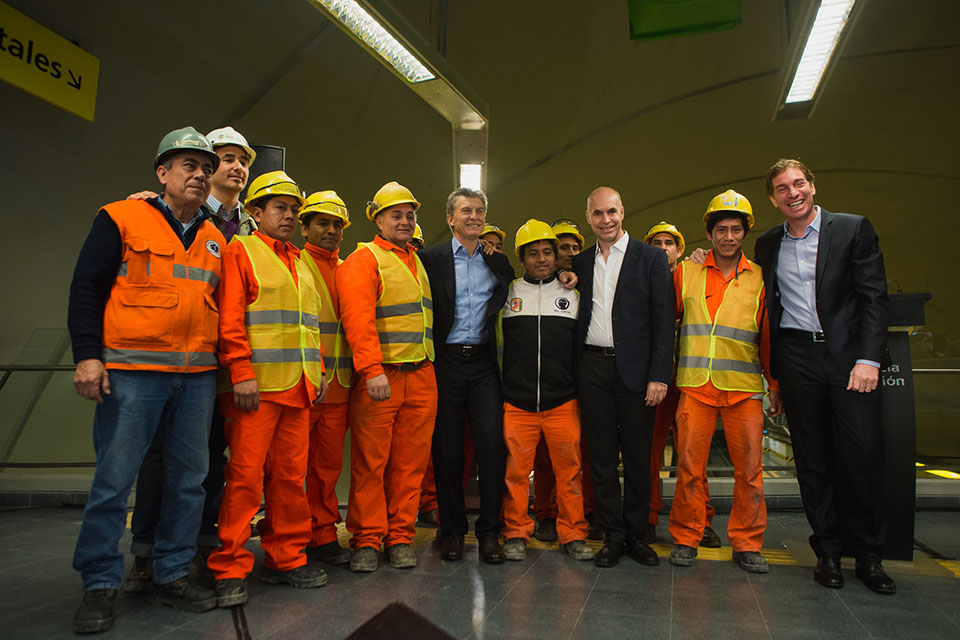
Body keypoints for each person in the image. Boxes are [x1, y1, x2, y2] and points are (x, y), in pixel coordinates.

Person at [68, 127, 223, 633]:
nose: (199, 175)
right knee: (113, 483)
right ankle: (99, 581)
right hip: (132, 374)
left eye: (205, 168)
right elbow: (86, 290)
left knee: (189, 481)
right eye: (187, 166)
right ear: (161, 173)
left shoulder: (216, 238)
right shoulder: (120, 217)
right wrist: (88, 358)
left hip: (196, 377)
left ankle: (173, 570)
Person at [124, 126, 258, 592]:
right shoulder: (168, 213)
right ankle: (145, 553)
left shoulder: (254, 228)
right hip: (182, 359)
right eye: (225, 157)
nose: (236, 167)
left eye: (243, 159)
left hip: (232, 368)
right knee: (160, 458)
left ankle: (200, 545)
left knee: (211, 462)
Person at [755, 159, 893, 594]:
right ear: (773, 198)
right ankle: (828, 553)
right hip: (796, 358)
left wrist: (869, 359)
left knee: (862, 456)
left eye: (798, 183)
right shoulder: (767, 243)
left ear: (812, 186)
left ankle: (870, 557)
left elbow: (874, 298)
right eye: (782, 188)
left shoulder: (852, 229)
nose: (792, 193)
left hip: (849, 359)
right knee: (812, 461)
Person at [208, 170, 329, 607]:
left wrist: (314, 375)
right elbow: (232, 319)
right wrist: (240, 373)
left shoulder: (299, 261)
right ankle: (229, 565)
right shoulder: (242, 251)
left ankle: (286, 557)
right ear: (255, 213)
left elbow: (307, 327)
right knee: (243, 479)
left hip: (296, 390)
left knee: (290, 479)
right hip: (255, 391)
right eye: (281, 208)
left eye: (295, 210)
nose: (290, 216)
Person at [666, 192, 781, 573]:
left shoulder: (760, 278)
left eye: (735, 229)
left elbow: (766, 337)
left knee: (749, 470)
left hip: (743, 389)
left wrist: (775, 385)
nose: (728, 236)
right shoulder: (688, 271)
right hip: (696, 387)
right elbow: (663, 321)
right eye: (721, 230)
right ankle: (686, 536)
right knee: (689, 467)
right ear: (708, 233)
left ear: (745, 232)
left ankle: (747, 543)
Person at [337, 181, 437, 572]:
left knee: (410, 465)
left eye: (410, 215)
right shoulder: (365, 260)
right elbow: (357, 322)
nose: (405, 221)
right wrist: (371, 370)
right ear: (377, 219)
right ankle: (366, 539)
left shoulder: (417, 261)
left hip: (422, 375)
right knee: (371, 464)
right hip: (383, 378)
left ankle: (399, 537)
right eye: (396, 214)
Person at [571, 186, 675, 568]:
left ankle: (636, 535)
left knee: (637, 458)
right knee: (600, 457)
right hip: (592, 369)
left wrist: (658, 376)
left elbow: (663, 322)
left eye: (611, 211)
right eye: (597, 213)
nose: (606, 220)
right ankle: (612, 536)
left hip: (637, 372)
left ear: (623, 211)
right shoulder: (581, 263)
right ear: (589, 217)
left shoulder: (651, 259)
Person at [418, 187, 514, 563]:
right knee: (447, 449)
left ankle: (490, 532)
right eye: (466, 211)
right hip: (446, 363)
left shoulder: (498, 263)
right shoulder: (430, 259)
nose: (474, 216)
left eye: (479, 211)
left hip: (485, 365)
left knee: (491, 446)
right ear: (450, 218)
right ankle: (452, 529)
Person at [500, 220, 594, 562]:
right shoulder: (508, 293)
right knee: (515, 474)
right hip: (517, 401)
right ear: (522, 259)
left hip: (562, 401)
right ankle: (515, 532)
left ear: (556, 257)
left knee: (569, 472)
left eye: (547, 252)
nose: (541, 259)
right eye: (533, 253)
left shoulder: (574, 294)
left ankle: (572, 533)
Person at [641, 221, 720, 548]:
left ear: (680, 249)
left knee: (693, 456)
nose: (662, 248)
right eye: (656, 242)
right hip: (654, 384)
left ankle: (701, 519)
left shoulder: (695, 274)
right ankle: (647, 517)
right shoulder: (639, 281)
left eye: (669, 242)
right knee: (649, 455)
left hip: (690, 380)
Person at [531, 218, 599, 542]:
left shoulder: (588, 286)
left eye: (575, 247)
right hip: (545, 390)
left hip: (581, 384)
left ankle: (582, 512)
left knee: (579, 457)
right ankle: (545, 513)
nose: (570, 253)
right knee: (544, 460)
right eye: (562, 247)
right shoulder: (532, 289)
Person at [297, 191, 354, 566]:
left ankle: (322, 532)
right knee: (292, 468)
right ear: (305, 228)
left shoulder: (351, 267)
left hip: (340, 385)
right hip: (304, 383)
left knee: (327, 468)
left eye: (337, 225)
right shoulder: (294, 264)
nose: (331, 230)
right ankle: (292, 534)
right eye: (323, 223)